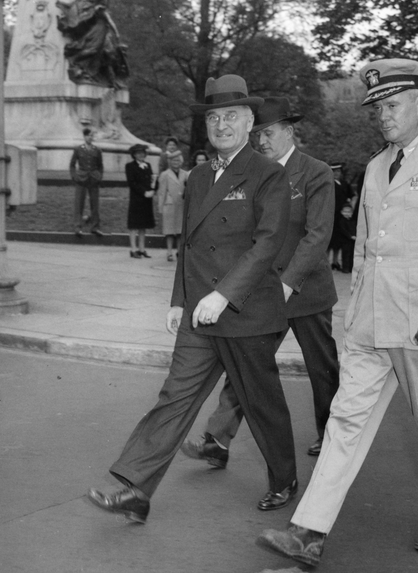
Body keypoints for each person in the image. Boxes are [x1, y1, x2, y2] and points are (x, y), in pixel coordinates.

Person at [258, 58, 418, 566]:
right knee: (345, 420)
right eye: (377, 108)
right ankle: (308, 531)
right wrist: (354, 313)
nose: (383, 116)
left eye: (392, 105)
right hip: (372, 322)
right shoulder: (377, 166)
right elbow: (366, 250)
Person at [87, 74, 297, 523]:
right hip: (200, 312)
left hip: (246, 312)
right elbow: (189, 243)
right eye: (213, 118)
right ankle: (135, 488)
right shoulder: (198, 175)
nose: (221, 125)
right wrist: (179, 299)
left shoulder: (268, 174)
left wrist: (224, 295)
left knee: (260, 403)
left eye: (231, 116)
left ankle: (284, 479)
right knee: (175, 397)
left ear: (249, 122)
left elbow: (267, 244)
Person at [181, 95, 339, 465]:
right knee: (246, 367)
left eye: (269, 133)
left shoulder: (314, 172)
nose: (262, 141)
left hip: (305, 291)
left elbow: (317, 235)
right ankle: (217, 440)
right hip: (259, 290)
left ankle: (332, 435)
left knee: (322, 368)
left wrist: (288, 281)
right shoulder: (249, 171)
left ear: (289, 132)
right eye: (258, 134)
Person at [69, 128, 105, 237]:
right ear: (84, 137)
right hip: (81, 179)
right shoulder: (78, 149)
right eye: (88, 135)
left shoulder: (97, 150)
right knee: (79, 203)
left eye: (92, 136)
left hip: (93, 179)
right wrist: (74, 176)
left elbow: (100, 165)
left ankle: (95, 227)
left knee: (95, 204)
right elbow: (72, 164)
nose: (90, 137)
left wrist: (99, 176)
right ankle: (77, 227)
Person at [156, 147, 189, 261]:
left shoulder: (185, 174)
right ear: (170, 162)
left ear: (181, 162)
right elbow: (161, 192)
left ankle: (179, 251)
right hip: (169, 204)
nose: (176, 163)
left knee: (180, 230)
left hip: (181, 204)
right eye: (174, 160)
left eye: (178, 160)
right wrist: (160, 207)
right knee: (169, 230)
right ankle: (169, 252)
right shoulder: (165, 174)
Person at [124, 144, 156, 258]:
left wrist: (153, 189)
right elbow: (132, 183)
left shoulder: (148, 165)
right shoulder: (130, 166)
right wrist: (144, 192)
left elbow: (152, 180)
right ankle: (133, 249)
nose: (141, 155)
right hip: (136, 199)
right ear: (134, 155)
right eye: (138, 153)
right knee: (134, 224)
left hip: (147, 200)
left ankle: (142, 249)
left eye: (142, 152)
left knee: (143, 225)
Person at [328, 163, 354, 271]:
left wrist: (350, 207)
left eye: (338, 171)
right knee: (330, 241)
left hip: (342, 216)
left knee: (338, 242)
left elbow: (352, 196)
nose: (336, 174)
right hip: (331, 216)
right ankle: (327, 262)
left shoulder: (344, 184)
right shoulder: (328, 184)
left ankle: (335, 261)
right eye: (334, 172)